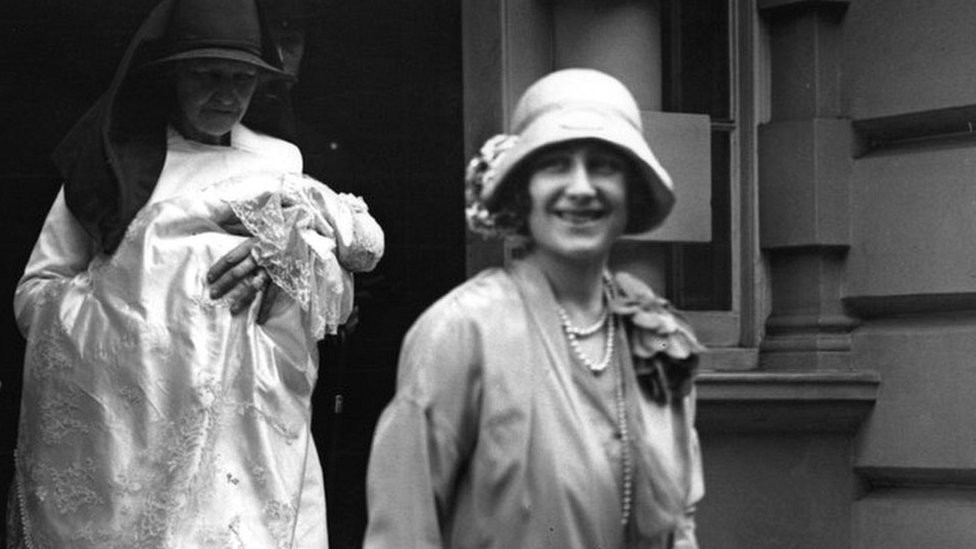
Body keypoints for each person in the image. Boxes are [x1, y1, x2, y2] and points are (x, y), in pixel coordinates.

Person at [7, 0, 383, 547]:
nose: (227, 95)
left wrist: (289, 262)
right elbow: (34, 295)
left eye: (242, 79)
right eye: (208, 75)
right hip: (135, 446)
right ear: (173, 75)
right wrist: (143, 287)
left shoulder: (282, 163)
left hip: (252, 434)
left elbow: (335, 286)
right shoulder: (112, 164)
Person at [363, 68, 704, 549]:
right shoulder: (463, 330)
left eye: (604, 166)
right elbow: (403, 531)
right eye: (556, 165)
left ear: (631, 191)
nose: (581, 187)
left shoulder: (657, 339)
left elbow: (680, 523)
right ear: (524, 190)